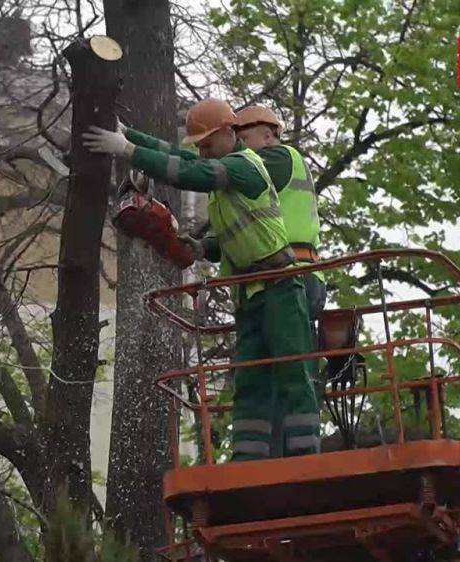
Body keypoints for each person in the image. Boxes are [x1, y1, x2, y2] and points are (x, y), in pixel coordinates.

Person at [82, 99, 319, 461]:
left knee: (292, 370)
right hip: (252, 292)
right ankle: (247, 462)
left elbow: (192, 172)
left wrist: (128, 150)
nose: (204, 152)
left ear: (230, 134)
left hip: (280, 286)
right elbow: (189, 162)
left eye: (209, 144)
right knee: (250, 381)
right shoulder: (227, 164)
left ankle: (306, 458)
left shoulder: (247, 165)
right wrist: (202, 246)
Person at [232, 105, 326, 331]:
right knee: (284, 355)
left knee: (288, 358)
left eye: (243, 138)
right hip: (296, 274)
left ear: (267, 136)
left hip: (292, 274)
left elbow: (223, 174)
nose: (238, 146)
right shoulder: (266, 178)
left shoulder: (277, 158)